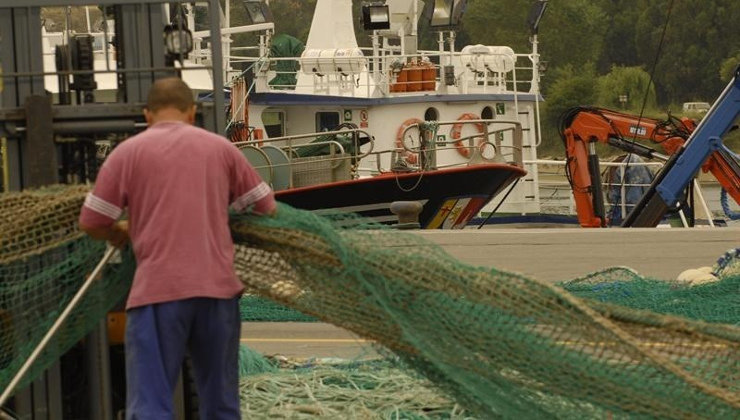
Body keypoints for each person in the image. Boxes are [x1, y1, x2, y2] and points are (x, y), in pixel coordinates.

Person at [79, 77, 276, 419]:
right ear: (191, 112)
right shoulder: (221, 149)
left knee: (152, 405)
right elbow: (265, 207)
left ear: (147, 114)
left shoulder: (128, 153)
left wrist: (120, 231)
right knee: (221, 405)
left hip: (158, 293)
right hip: (217, 292)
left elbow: (92, 220)